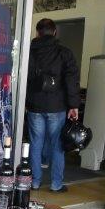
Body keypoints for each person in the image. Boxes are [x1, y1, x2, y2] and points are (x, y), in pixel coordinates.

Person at [25, 18, 80, 192]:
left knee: (35, 144)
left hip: (35, 105)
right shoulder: (64, 53)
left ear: (37, 33)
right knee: (57, 145)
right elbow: (71, 80)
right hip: (57, 106)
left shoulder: (29, 52)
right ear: (55, 32)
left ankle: (35, 181)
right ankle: (56, 184)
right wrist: (73, 105)